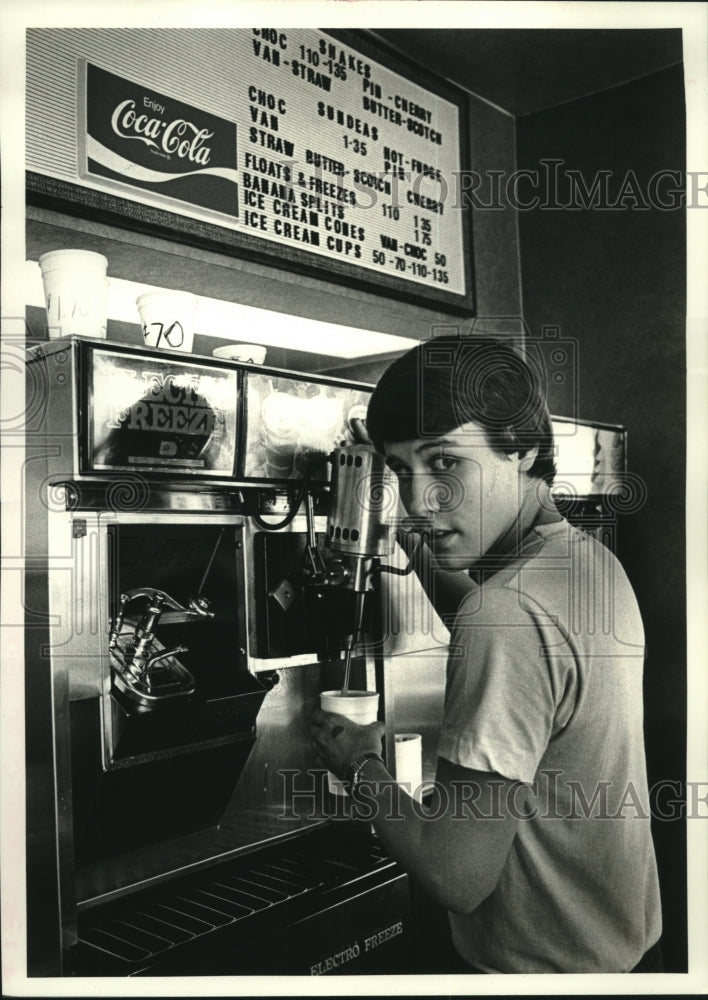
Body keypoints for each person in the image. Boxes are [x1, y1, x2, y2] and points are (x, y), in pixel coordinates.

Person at [310, 335, 662, 974]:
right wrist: (417, 535)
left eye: (445, 462)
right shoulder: (584, 562)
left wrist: (361, 764)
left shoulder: (504, 614)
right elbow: (493, 622)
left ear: (522, 448)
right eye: (400, 471)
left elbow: (454, 876)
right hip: (621, 949)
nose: (420, 500)